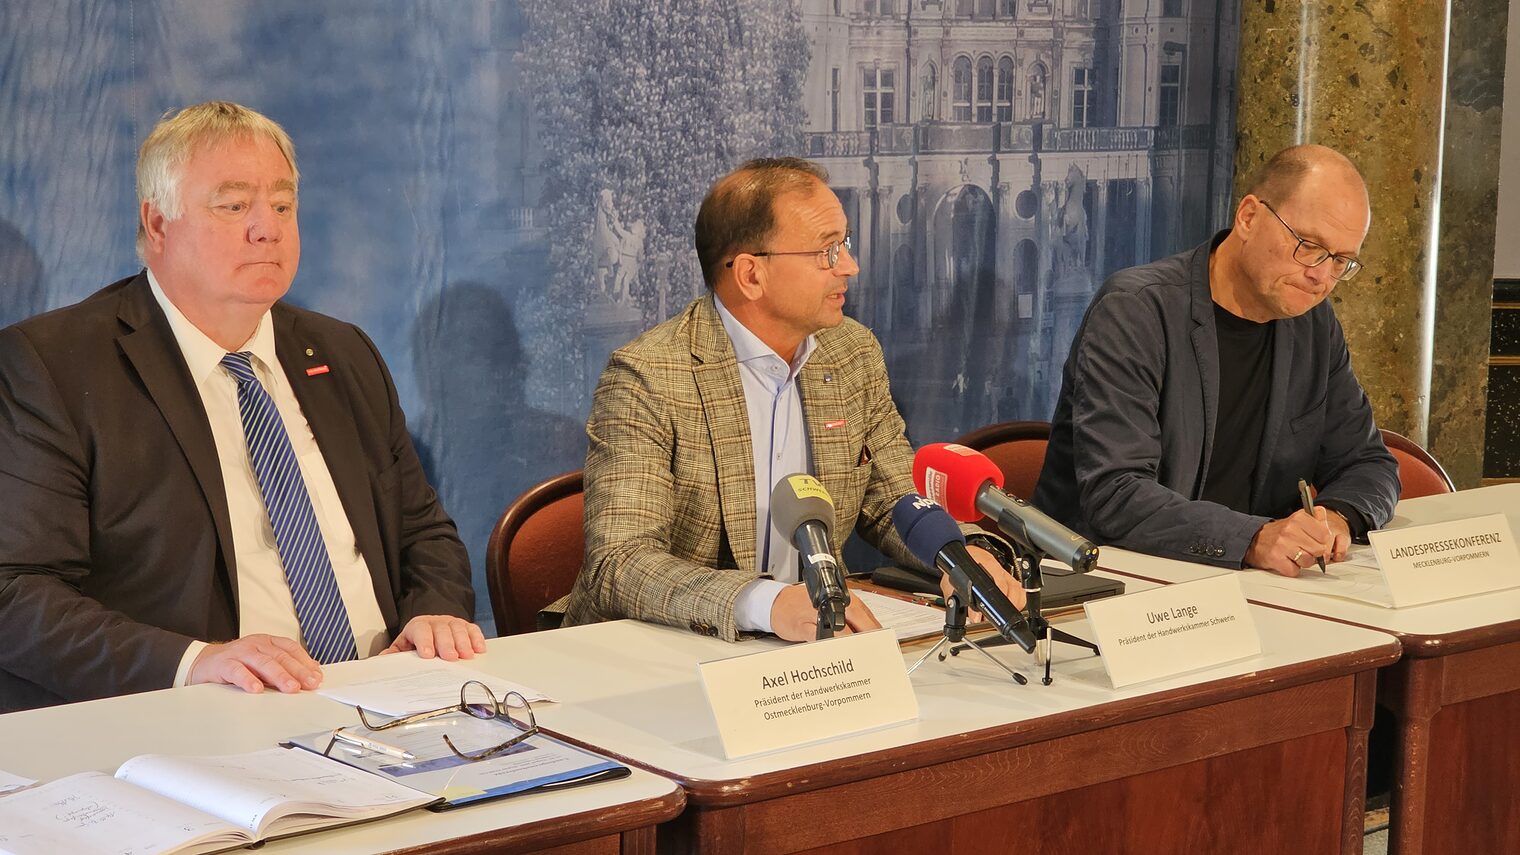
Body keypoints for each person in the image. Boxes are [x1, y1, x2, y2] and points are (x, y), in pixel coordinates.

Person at [0, 101, 482, 713]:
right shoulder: (53, 367)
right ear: (158, 224)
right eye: (234, 207)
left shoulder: (343, 351)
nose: (268, 229)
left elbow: (421, 529)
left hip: (391, 694)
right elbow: (14, 593)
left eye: (282, 206)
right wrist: (194, 662)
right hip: (205, 715)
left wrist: (434, 612)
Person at [560, 157, 1019, 642]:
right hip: (660, 657)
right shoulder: (649, 376)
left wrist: (960, 555)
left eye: (844, 244)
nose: (850, 266)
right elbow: (622, 562)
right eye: (826, 252)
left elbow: (893, 499)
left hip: (812, 655)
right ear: (751, 275)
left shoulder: (852, 353)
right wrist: (766, 602)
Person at [1034, 144, 1400, 576]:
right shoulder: (1135, 311)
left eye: (1341, 261)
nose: (1321, 275)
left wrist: (1335, 517)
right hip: (1114, 587)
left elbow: (1369, 464)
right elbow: (1116, 494)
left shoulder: (1313, 324)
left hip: (1255, 589)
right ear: (1248, 217)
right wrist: (1253, 539)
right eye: (1309, 246)